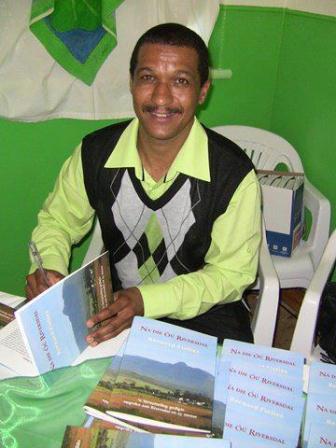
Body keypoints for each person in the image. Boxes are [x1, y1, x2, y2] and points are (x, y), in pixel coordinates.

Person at [26, 23, 261, 346]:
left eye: (180, 81)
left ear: (203, 90)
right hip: (115, 308)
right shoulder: (95, 153)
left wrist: (147, 301)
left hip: (205, 316)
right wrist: (48, 270)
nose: (161, 97)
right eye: (148, 77)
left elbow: (231, 276)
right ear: (132, 83)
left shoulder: (232, 174)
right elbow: (57, 222)